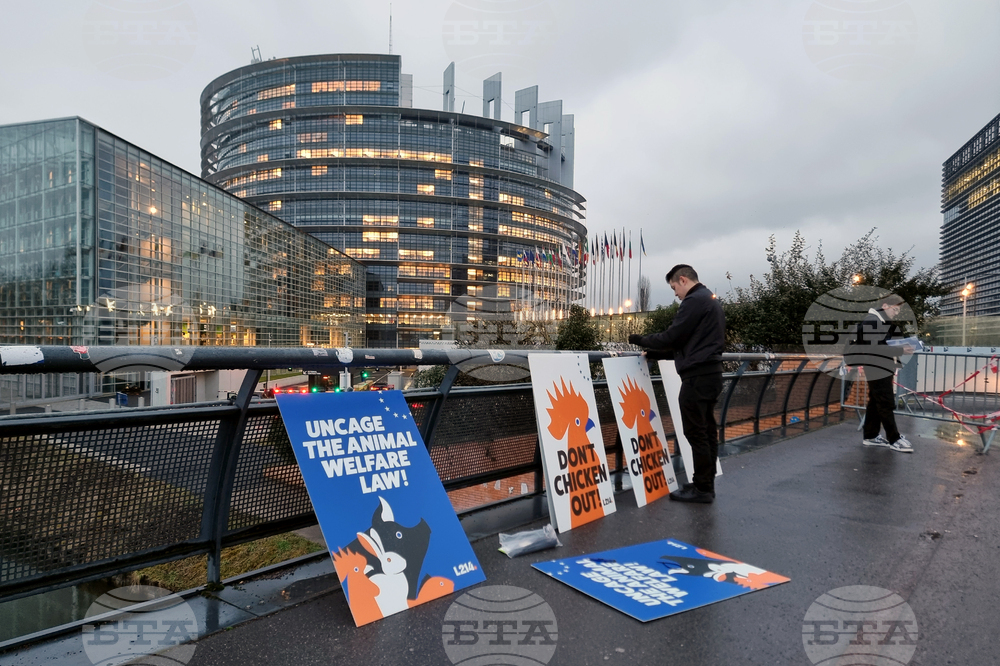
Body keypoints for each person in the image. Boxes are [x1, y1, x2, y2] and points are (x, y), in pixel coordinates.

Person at [628, 264, 725, 504]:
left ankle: (702, 489)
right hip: (710, 374)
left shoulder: (694, 301)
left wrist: (639, 339)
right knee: (707, 431)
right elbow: (688, 346)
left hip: (697, 379)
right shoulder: (710, 301)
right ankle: (705, 484)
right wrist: (655, 354)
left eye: (674, 287)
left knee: (696, 432)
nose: (675, 294)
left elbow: (673, 336)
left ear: (683, 280)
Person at [845, 294, 913, 453]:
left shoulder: (878, 322)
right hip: (877, 367)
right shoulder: (872, 322)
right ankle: (893, 438)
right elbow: (874, 348)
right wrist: (900, 349)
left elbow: (880, 345)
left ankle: (870, 436)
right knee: (885, 401)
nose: (896, 313)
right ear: (885, 306)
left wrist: (899, 346)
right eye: (895, 309)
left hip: (879, 366)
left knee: (876, 401)